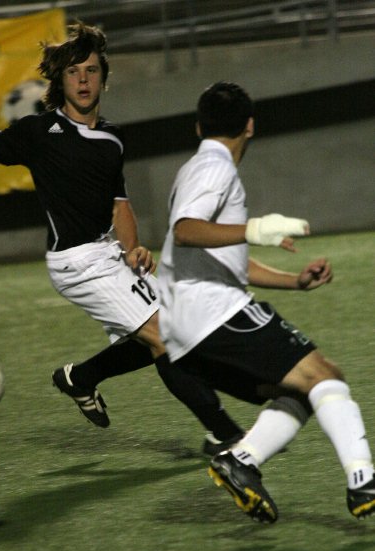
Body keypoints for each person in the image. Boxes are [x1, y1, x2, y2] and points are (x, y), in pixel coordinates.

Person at [0, 21, 301, 451]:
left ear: (103, 76)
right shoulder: (37, 132)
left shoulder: (112, 138)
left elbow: (120, 204)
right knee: (165, 333)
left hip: (105, 253)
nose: (83, 79)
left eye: (90, 70)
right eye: (73, 71)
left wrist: (133, 248)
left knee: (167, 332)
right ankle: (226, 435)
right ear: (59, 80)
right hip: (75, 261)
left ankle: (81, 377)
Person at [157, 81, 374, 522]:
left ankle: (241, 461)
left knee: (304, 388)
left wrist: (295, 281)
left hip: (187, 323)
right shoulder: (215, 169)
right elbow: (187, 230)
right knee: (325, 377)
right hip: (213, 313)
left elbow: (222, 259)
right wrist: (255, 228)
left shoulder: (195, 168)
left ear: (199, 126)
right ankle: (363, 479)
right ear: (250, 126)